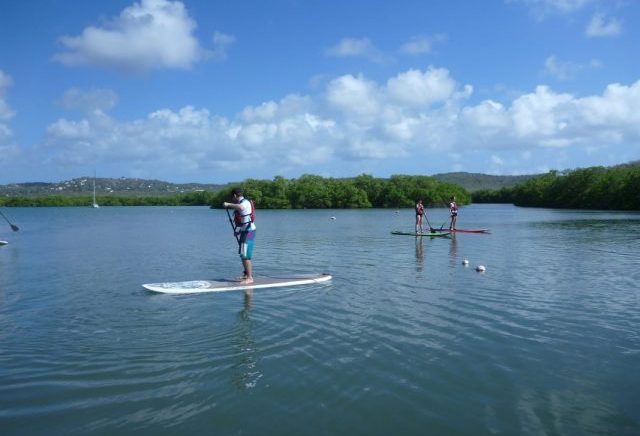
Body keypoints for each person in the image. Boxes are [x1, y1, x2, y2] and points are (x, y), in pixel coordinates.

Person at [223, 188, 256, 284]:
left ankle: (250, 278)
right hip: (245, 230)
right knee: (242, 253)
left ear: (234, 196)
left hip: (249, 232)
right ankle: (246, 274)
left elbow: (241, 208)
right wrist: (239, 232)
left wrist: (228, 204)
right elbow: (244, 221)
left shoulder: (245, 202)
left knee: (245, 255)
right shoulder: (243, 202)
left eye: (232, 198)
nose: (232, 199)